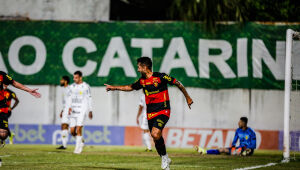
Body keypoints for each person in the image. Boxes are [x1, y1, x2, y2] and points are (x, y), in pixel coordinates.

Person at [105, 57, 193, 170]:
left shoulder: (161, 77)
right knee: (155, 136)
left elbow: (177, 83)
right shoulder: (142, 81)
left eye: (138, 67)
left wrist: (188, 97)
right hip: (151, 113)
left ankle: (164, 159)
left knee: (156, 133)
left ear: (144, 67)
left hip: (163, 110)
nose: (137, 70)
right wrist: (114, 88)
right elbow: (130, 87)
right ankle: (164, 157)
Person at [0, 71, 41, 146]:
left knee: (3, 134)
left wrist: (29, 90)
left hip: (2, 107)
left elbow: (14, 83)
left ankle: (5, 138)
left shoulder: (2, 75)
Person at [65, 71, 93, 154]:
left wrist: (90, 110)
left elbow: (89, 98)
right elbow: (69, 97)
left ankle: (77, 149)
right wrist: (68, 107)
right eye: (73, 77)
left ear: (80, 77)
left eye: (76, 77)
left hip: (82, 110)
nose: (74, 79)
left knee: (79, 128)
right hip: (73, 110)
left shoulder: (86, 86)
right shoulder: (71, 87)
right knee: (72, 131)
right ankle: (81, 142)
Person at [57, 76, 71, 150]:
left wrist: (70, 109)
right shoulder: (63, 89)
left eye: (62, 80)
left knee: (65, 126)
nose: (60, 81)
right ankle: (64, 144)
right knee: (65, 127)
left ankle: (64, 145)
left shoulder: (69, 89)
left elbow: (71, 99)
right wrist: (62, 110)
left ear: (65, 81)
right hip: (65, 109)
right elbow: (65, 102)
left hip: (69, 110)